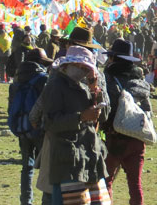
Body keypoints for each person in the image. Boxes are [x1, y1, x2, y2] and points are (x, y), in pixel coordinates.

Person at [40, 44, 110, 203]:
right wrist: (80, 117)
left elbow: (103, 116)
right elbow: (51, 122)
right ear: (68, 65)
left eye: (86, 69)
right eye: (80, 67)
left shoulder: (86, 86)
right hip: (68, 159)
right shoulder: (55, 86)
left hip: (90, 157)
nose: (83, 71)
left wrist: (95, 91)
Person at [102, 39, 152, 205]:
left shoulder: (109, 78)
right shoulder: (141, 82)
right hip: (137, 137)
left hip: (115, 137)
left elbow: (106, 108)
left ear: (114, 58)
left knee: (106, 181)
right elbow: (147, 111)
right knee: (135, 184)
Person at [9, 48, 53, 205]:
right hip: (40, 129)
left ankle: (25, 201)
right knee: (45, 168)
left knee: (26, 166)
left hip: (21, 128)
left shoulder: (17, 79)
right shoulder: (43, 79)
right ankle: (45, 201)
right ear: (40, 63)